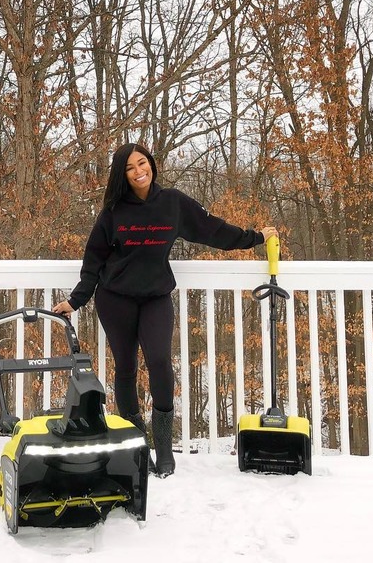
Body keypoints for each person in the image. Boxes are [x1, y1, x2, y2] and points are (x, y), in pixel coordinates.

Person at [53, 143, 277, 477]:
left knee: (159, 361)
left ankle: (163, 448)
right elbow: (93, 262)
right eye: (130, 168)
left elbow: (212, 229)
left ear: (152, 165)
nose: (138, 171)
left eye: (142, 163)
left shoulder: (172, 203)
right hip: (115, 299)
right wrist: (76, 300)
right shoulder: (113, 212)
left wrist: (255, 237)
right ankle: (136, 444)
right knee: (125, 367)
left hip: (155, 296)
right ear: (122, 175)